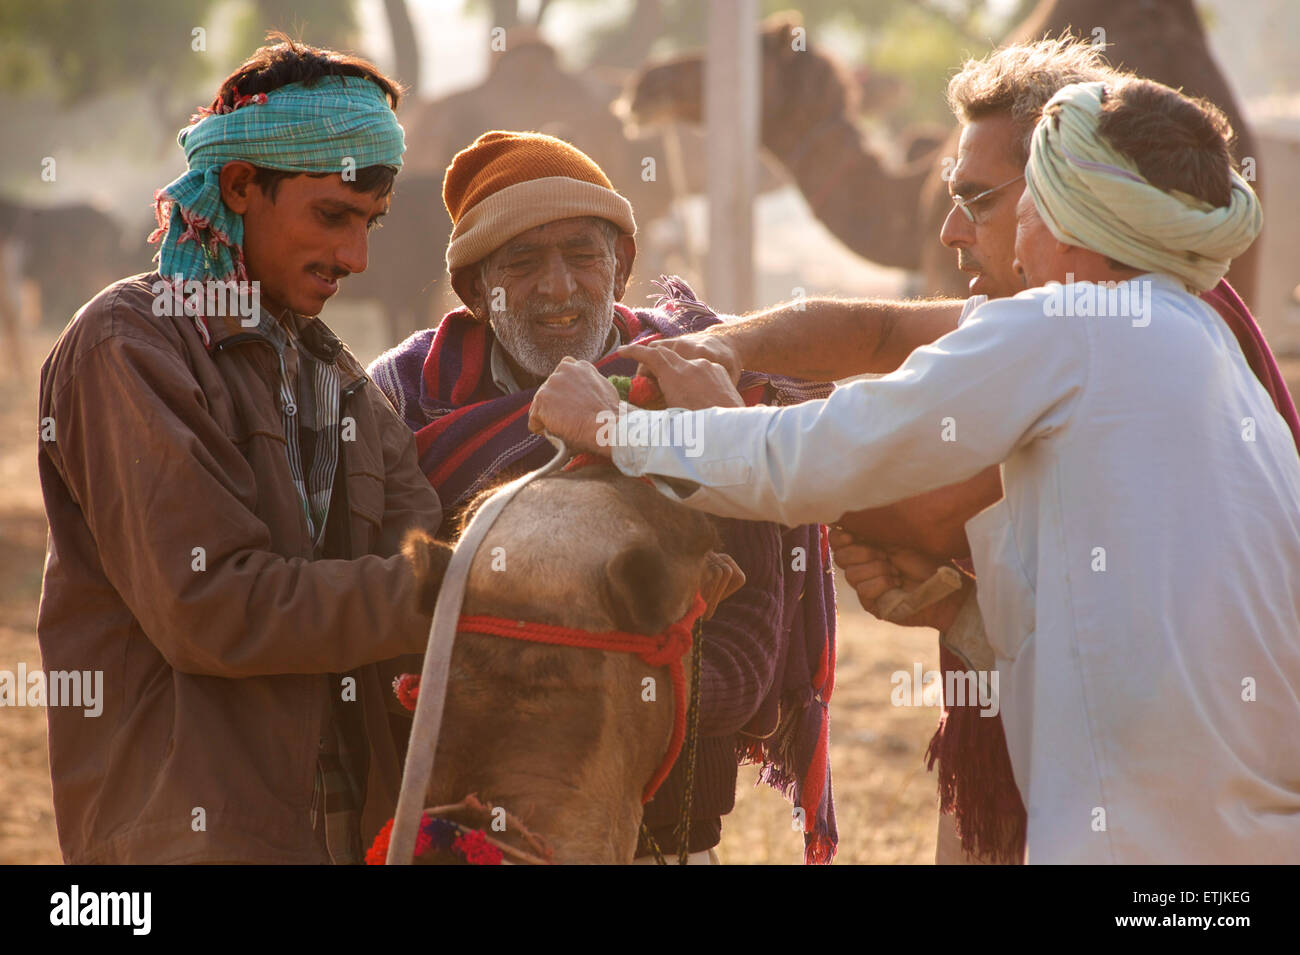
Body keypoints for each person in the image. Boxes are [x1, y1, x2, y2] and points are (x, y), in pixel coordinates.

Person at [530, 76, 1300, 863]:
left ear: (1072, 214)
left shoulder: (1062, 327)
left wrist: (615, 426)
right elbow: (1133, 635)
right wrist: (964, 615)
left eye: (1026, 196)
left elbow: (821, 456)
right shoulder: (1210, 355)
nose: (965, 233)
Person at [367, 131, 838, 863]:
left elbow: (749, 652)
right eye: (522, 262)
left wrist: (720, 430)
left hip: (673, 830)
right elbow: (389, 619)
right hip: (471, 831)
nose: (558, 287)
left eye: (583, 256)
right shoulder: (403, 402)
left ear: (621, 267)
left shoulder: (703, 376)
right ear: (473, 292)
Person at [35, 37, 452, 864]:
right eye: (331, 216)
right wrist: (453, 586)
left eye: (369, 224)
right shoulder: (131, 346)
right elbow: (212, 607)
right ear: (238, 186)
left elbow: (421, 570)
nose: (355, 258)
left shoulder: (344, 382)